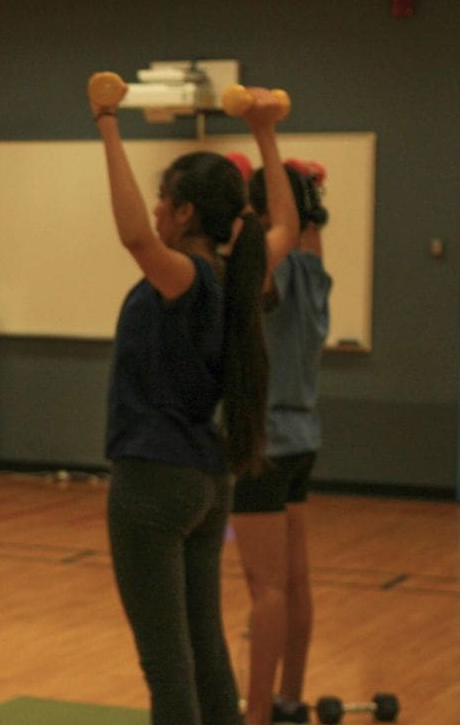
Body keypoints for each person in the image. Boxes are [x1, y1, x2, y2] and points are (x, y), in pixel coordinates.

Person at [89, 81, 299, 725]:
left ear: (182, 214)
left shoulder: (187, 277)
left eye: (162, 203)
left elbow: (132, 237)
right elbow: (286, 223)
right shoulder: (240, 276)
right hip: (207, 482)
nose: (154, 213)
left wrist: (107, 121)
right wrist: (264, 132)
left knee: (167, 661)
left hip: (154, 479)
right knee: (205, 647)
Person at [230, 162, 331, 725]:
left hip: (263, 442)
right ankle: (290, 698)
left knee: (265, 587)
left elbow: (276, 241)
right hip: (301, 439)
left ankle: (260, 713)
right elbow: (306, 224)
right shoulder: (314, 266)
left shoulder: (275, 273)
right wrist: (305, 191)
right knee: (295, 579)